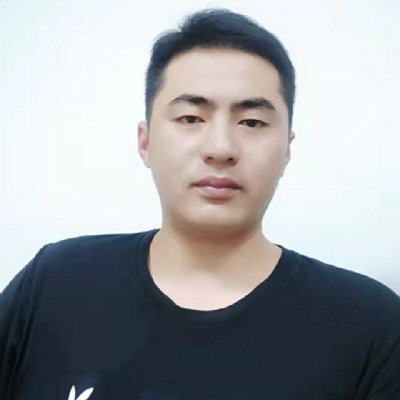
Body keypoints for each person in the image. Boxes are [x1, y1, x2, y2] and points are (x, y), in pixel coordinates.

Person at [1, 8, 399, 400]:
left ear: (287, 150)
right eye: (191, 118)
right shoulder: (55, 284)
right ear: (145, 142)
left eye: (252, 122)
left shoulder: (370, 325)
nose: (220, 148)